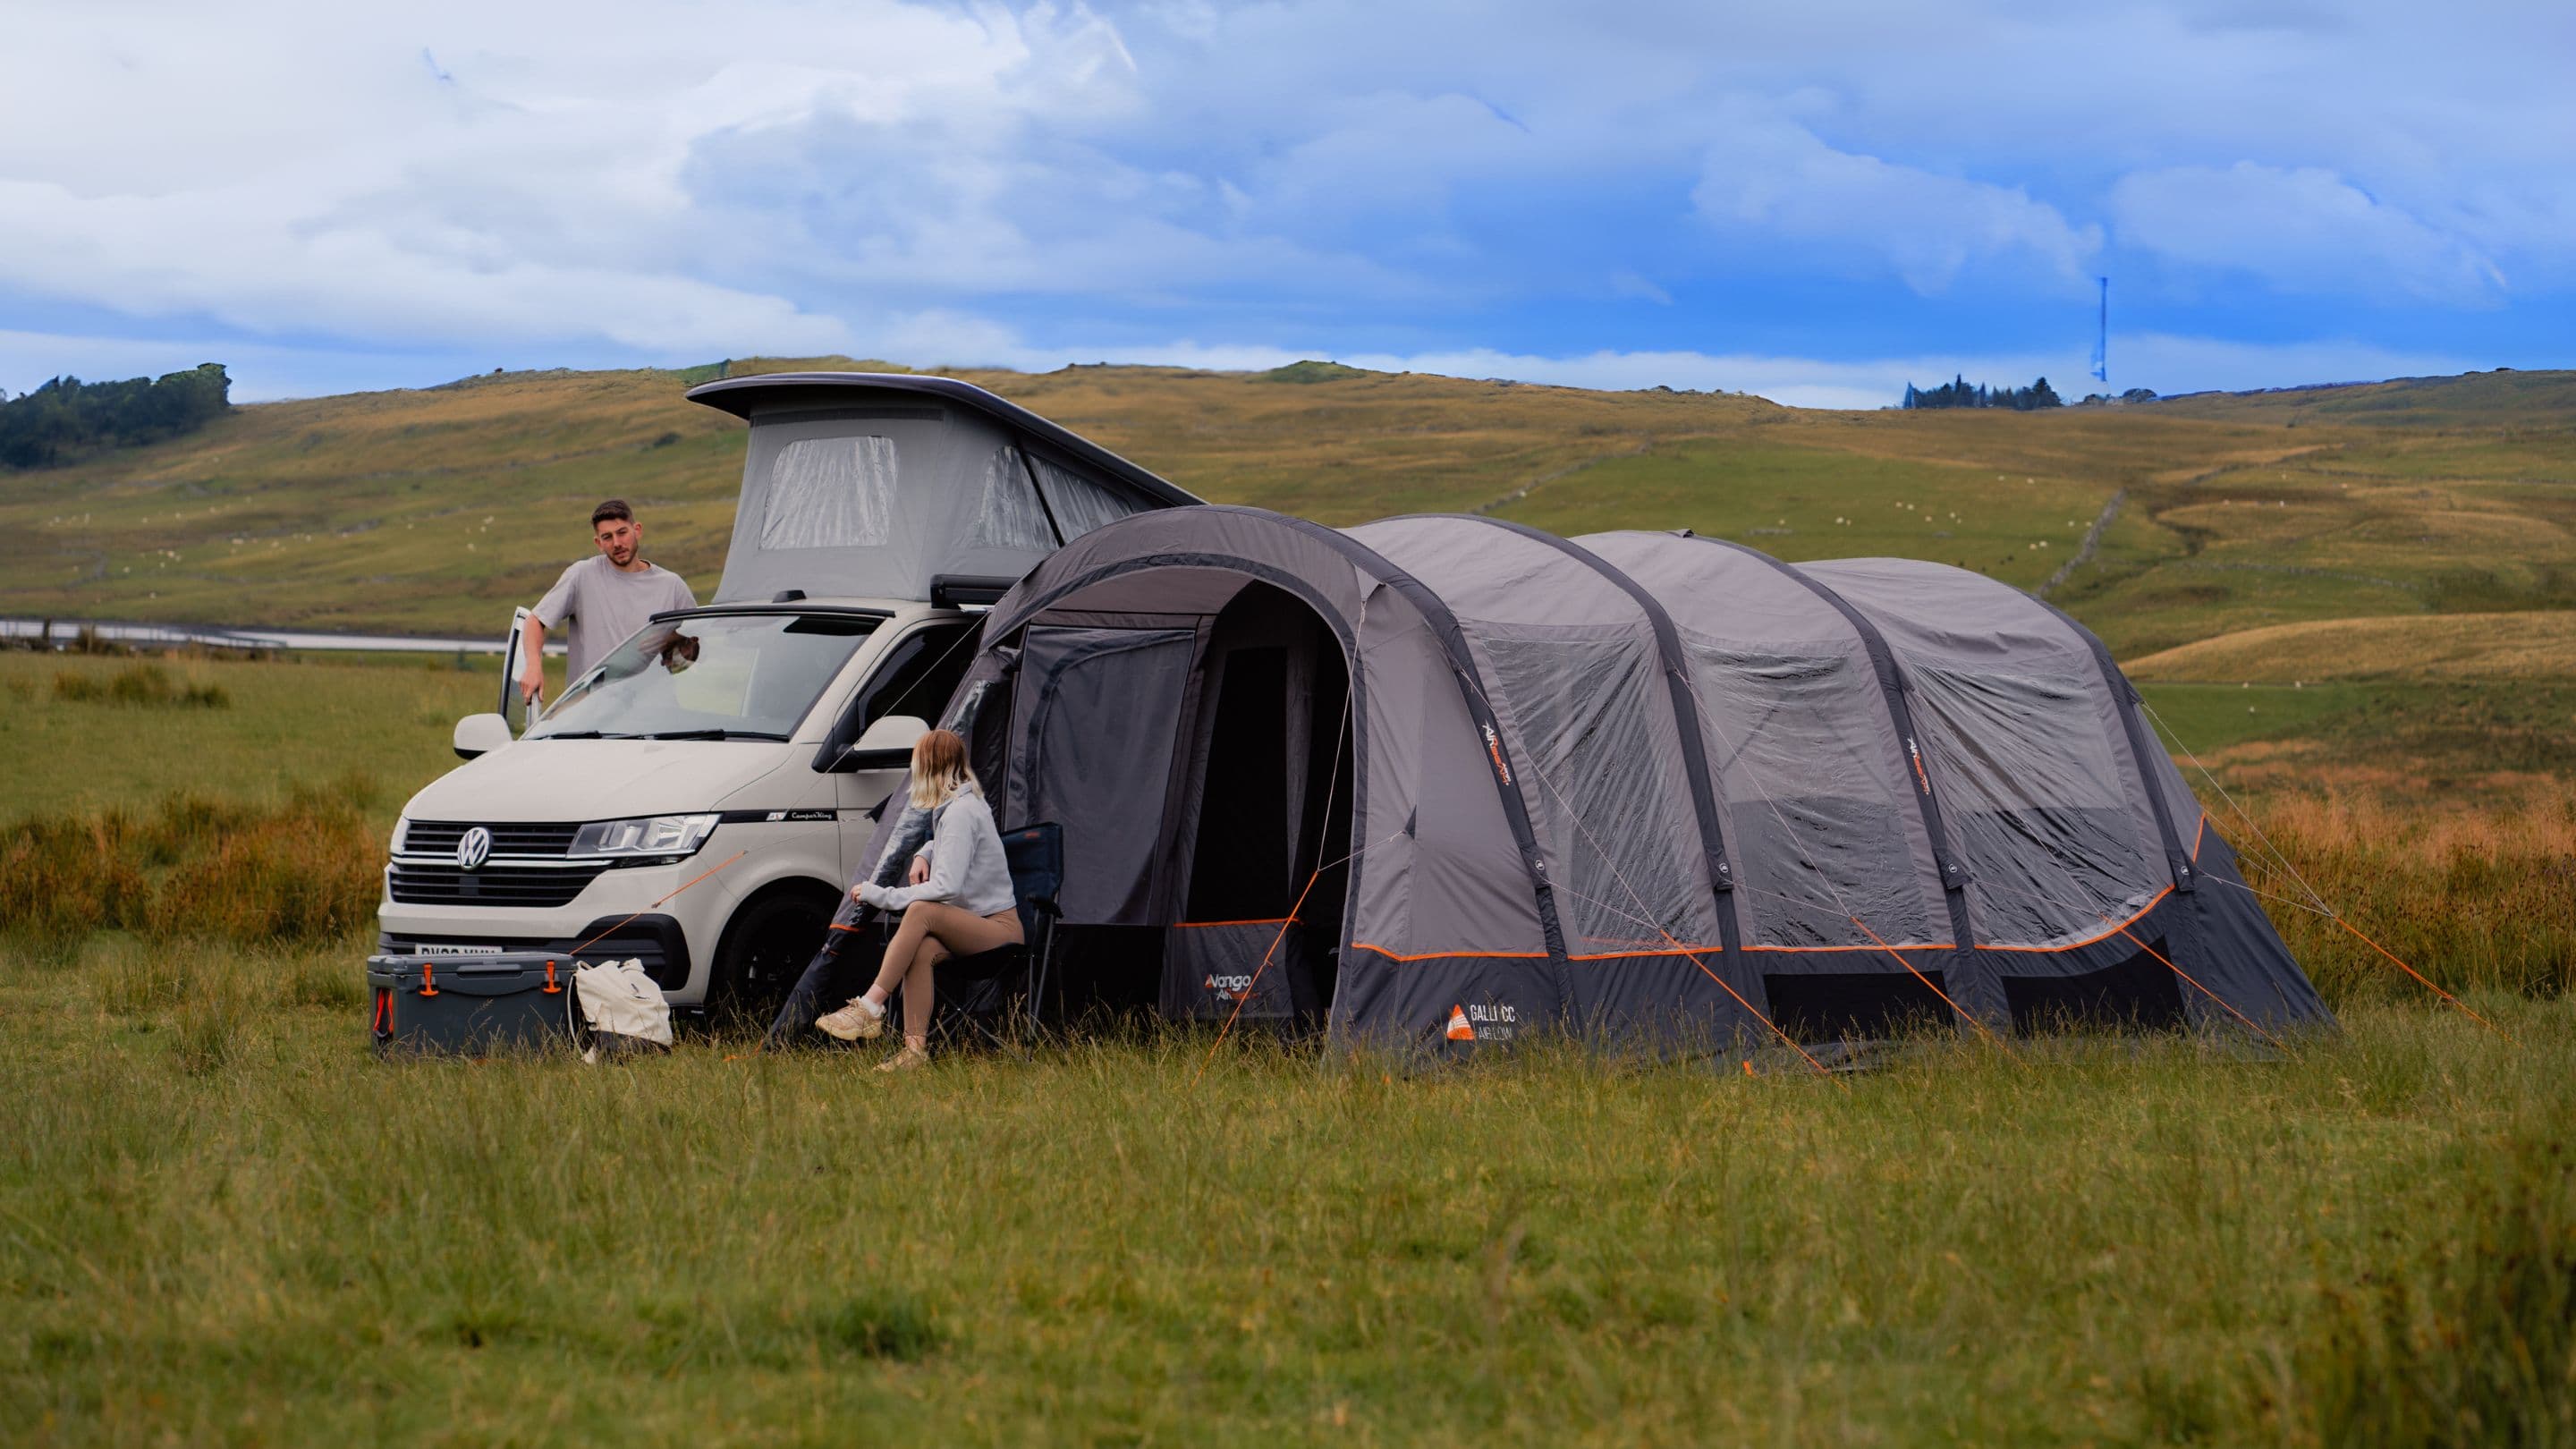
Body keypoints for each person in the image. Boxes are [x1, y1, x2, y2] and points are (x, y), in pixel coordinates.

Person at [815, 728, 1021, 1071]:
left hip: (998, 931)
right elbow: (956, 844)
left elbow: (947, 888)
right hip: (974, 927)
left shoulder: (960, 813)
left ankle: (870, 1007)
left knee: (921, 910)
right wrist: (925, 852)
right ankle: (914, 1051)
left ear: (927, 768)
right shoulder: (963, 804)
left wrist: (881, 894)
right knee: (921, 949)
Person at [518, 498, 699, 707]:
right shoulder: (581, 575)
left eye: (622, 532)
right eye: (607, 537)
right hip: (590, 714)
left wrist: (672, 643)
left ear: (637, 530)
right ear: (598, 543)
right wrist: (533, 666)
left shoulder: (672, 586)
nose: (617, 543)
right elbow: (534, 621)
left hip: (655, 714)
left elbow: (691, 656)